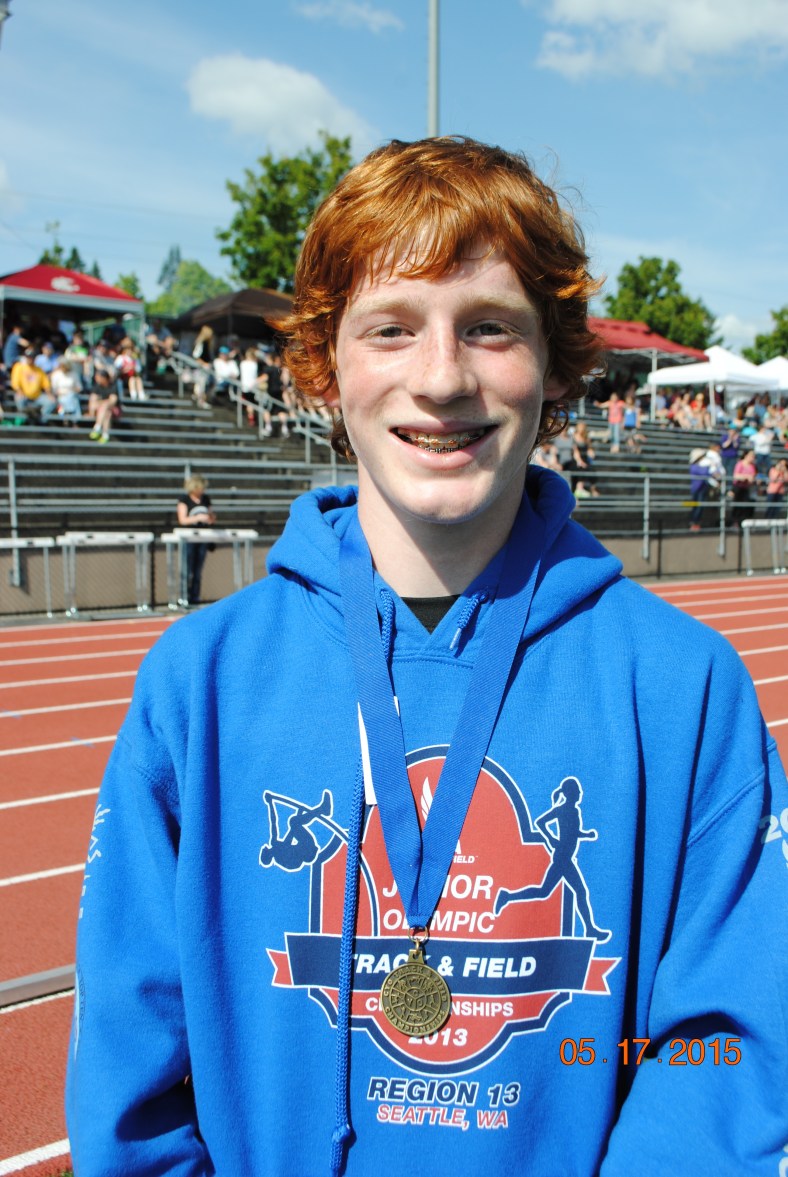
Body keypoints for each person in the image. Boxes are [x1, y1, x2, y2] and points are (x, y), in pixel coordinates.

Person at [66, 136, 788, 1176]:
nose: (440, 377)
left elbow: (726, 1052)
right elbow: (128, 1066)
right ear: (325, 365)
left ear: (552, 360)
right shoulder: (202, 681)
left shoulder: (682, 687)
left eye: (489, 328)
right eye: (391, 329)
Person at [176, 473, 216, 605]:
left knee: (198, 571)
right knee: (186, 570)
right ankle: (183, 597)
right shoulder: (184, 499)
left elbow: (211, 516)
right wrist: (197, 518)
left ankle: (195, 597)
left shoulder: (205, 499)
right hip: (189, 539)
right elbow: (182, 520)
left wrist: (209, 519)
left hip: (202, 538)